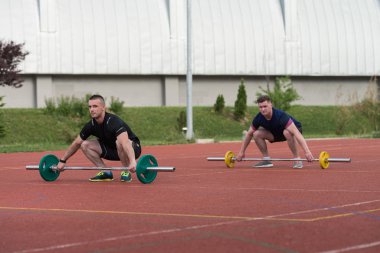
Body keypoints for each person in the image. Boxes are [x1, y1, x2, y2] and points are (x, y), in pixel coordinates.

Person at [57, 94, 141, 182]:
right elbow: (76, 143)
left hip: (132, 149)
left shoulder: (114, 121)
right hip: (113, 150)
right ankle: (105, 172)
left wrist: (132, 161)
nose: (92, 109)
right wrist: (62, 160)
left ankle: (126, 171)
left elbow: (125, 143)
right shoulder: (91, 125)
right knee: (84, 144)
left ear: (103, 107)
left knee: (119, 142)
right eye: (90, 107)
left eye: (95, 106)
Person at [237, 95, 314, 168]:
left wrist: (307, 152)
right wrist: (241, 152)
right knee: (256, 133)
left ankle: (297, 159)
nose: (263, 109)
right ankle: (266, 160)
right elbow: (249, 134)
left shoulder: (281, 116)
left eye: (265, 106)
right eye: (260, 107)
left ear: (271, 105)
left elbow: (296, 133)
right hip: (276, 133)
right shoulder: (258, 118)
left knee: (287, 132)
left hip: (294, 129)